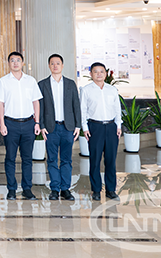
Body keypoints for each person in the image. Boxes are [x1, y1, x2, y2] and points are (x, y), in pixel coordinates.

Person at [0, 51, 42, 201]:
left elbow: (36, 102)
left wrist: (37, 122)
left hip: (28, 124)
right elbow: (0, 104)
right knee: (10, 158)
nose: (15, 63)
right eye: (12, 60)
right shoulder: (3, 81)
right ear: (9, 63)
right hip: (10, 124)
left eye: (18, 60)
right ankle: (12, 189)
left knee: (27, 158)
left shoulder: (31, 81)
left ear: (23, 63)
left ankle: (27, 189)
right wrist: (2, 124)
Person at [38, 53, 81, 201]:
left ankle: (65, 189)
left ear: (62, 65)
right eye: (52, 63)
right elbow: (40, 107)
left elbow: (76, 105)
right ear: (49, 66)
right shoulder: (42, 84)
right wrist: (41, 125)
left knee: (66, 159)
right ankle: (55, 189)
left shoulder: (70, 84)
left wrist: (78, 125)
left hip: (68, 127)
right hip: (51, 128)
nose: (55, 66)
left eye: (58, 63)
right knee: (51, 160)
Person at [81, 62, 122, 201]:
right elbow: (83, 110)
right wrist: (85, 128)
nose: (99, 74)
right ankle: (96, 190)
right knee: (95, 160)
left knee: (111, 160)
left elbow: (117, 109)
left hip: (111, 127)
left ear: (105, 73)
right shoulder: (86, 90)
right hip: (95, 127)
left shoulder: (112, 90)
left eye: (101, 71)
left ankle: (111, 190)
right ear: (91, 74)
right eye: (96, 71)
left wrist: (118, 126)